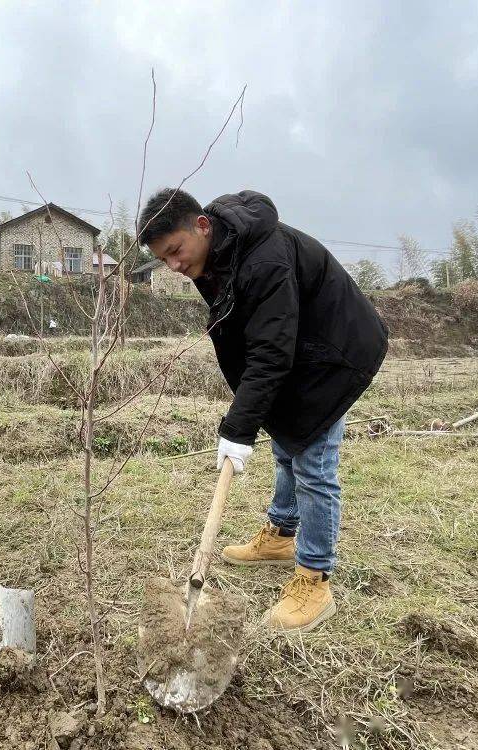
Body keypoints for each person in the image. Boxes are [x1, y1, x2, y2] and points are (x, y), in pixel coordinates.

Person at [138, 189, 388, 632]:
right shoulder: (217, 253)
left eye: (175, 251)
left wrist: (238, 428)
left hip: (335, 353)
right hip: (300, 347)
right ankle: (281, 535)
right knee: (287, 441)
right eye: (164, 259)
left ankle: (315, 577)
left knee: (313, 461)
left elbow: (271, 351)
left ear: (201, 226)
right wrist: (250, 416)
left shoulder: (264, 259)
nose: (173, 265)